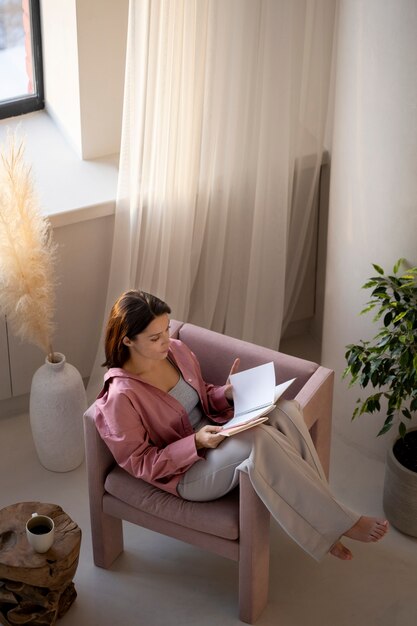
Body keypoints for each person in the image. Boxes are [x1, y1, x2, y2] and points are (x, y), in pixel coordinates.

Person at [95, 290, 388, 562]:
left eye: (167, 329)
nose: (166, 341)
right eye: (154, 338)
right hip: (186, 472)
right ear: (127, 340)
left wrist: (226, 393)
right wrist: (195, 442)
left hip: (216, 433)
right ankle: (336, 522)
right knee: (258, 438)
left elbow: (201, 395)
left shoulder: (176, 351)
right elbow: (141, 463)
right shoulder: (120, 397)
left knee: (285, 410)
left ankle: (326, 522)